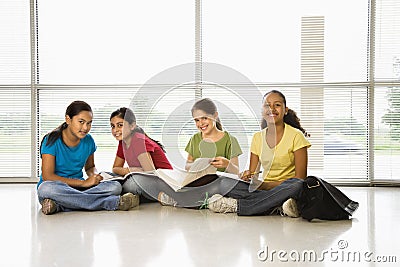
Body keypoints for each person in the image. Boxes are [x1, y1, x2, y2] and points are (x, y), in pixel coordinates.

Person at [207, 90, 311, 216]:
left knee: (298, 185)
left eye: (277, 105)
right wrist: (247, 176)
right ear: (262, 111)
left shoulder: (296, 136)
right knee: (224, 184)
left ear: (285, 110)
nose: (272, 109)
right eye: (267, 105)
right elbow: (253, 174)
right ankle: (279, 206)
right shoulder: (257, 137)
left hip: (287, 187)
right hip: (264, 189)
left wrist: (266, 186)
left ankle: (238, 206)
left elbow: (300, 178)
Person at [131, 98, 243, 207]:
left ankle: (181, 200)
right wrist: (196, 165)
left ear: (215, 115)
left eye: (204, 118)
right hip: (197, 184)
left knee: (224, 185)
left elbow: (236, 171)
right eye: (196, 120)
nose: (201, 123)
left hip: (216, 183)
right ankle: (201, 201)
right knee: (162, 182)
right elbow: (188, 165)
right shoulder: (195, 139)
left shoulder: (230, 140)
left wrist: (226, 163)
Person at [37, 101, 138, 215]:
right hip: (58, 188)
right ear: (68, 119)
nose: (85, 128)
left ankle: (60, 205)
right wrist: (83, 184)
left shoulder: (88, 140)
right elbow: (47, 176)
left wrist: (94, 176)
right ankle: (111, 203)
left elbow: (90, 167)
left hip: (78, 189)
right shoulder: (51, 141)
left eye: (89, 123)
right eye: (81, 122)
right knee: (45, 189)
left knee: (115, 187)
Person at [109, 107, 172, 198]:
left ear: (132, 126)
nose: (115, 130)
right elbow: (115, 168)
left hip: (161, 181)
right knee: (106, 176)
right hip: (143, 177)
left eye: (120, 125)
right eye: (112, 126)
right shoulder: (122, 142)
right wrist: (130, 170)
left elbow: (150, 171)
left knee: (130, 185)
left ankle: (162, 196)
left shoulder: (138, 140)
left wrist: (130, 171)